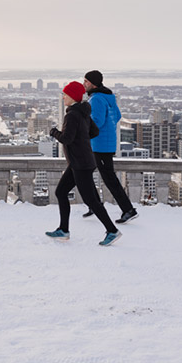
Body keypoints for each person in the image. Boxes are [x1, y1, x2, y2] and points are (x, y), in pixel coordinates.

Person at [46, 81, 122, 247]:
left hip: (80, 164)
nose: (63, 97)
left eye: (65, 94)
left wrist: (54, 132)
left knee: (91, 201)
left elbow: (66, 138)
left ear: (72, 96)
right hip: (79, 162)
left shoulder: (72, 115)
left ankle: (112, 230)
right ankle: (63, 230)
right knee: (61, 192)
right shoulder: (83, 112)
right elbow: (94, 131)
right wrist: (81, 139)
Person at [81, 70, 139, 224]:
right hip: (104, 143)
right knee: (87, 174)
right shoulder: (108, 97)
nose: (83, 84)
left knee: (109, 178)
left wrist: (82, 124)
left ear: (93, 83)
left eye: (86, 81)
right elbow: (117, 116)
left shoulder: (96, 99)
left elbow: (97, 122)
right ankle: (95, 205)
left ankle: (128, 209)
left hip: (99, 145)